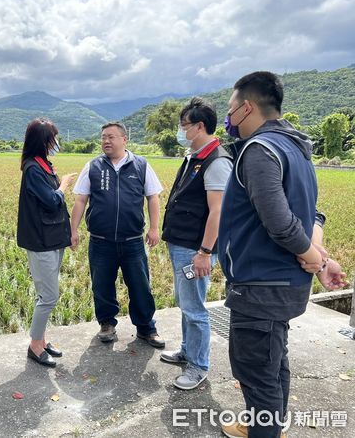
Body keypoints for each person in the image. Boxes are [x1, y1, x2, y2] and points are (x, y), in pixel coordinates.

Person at [217, 72, 348, 438]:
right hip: (283, 283)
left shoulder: (260, 150)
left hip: (262, 285)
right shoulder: (296, 147)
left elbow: (279, 221)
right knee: (273, 363)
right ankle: (267, 425)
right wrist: (318, 257)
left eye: (230, 111)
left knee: (256, 371)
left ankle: (265, 431)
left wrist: (314, 256)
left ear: (246, 108)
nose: (227, 120)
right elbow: (312, 214)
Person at [70, 121, 165, 347]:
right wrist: (72, 230)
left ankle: (146, 328)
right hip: (101, 242)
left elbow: (153, 197)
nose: (106, 141)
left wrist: (154, 228)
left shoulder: (141, 165)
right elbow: (81, 199)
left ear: (124, 140)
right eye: (103, 137)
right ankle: (107, 324)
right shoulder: (93, 166)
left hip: (132, 241)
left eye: (111, 137)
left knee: (140, 286)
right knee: (102, 285)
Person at [159, 97, 232, 390]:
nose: (181, 131)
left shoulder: (216, 161)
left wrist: (204, 252)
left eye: (184, 125)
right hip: (182, 244)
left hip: (194, 249)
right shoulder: (195, 157)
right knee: (186, 304)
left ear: (200, 126)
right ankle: (188, 352)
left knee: (195, 309)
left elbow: (218, 212)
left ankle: (199, 366)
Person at [17, 118, 77, 368]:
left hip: (53, 239)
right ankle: (34, 346)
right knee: (49, 296)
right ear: (44, 142)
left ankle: (42, 340)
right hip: (41, 242)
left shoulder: (43, 165)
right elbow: (52, 201)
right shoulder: (33, 168)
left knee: (46, 294)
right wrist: (63, 185)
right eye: (53, 139)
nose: (56, 143)